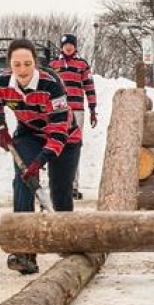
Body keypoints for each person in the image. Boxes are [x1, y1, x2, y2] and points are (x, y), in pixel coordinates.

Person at [0, 38, 82, 275]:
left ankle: (67, 244)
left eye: (27, 63)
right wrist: (2, 129)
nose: (22, 70)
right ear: (10, 64)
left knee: (60, 192)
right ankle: (24, 251)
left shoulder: (52, 84)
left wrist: (40, 161)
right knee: (23, 181)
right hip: (29, 133)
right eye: (17, 64)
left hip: (65, 137)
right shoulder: (0, 82)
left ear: (35, 63)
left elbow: (59, 130)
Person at [48, 33, 97, 200]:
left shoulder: (82, 64)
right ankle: (54, 185)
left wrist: (92, 108)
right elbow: (46, 87)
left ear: (75, 47)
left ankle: (73, 186)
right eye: (65, 45)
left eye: (71, 44)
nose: (68, 47)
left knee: (74, 147)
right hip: (56, 110)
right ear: (61, 47)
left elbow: (89, 87)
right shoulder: (53, 64)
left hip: (77, 110)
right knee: (55, 144)